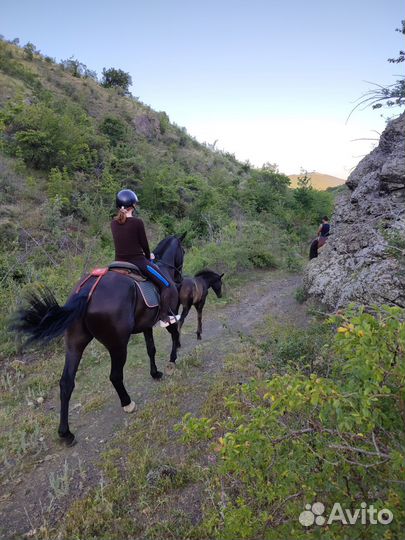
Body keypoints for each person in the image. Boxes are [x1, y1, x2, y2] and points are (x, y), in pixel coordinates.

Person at [111, 189, 179, 327]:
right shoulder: (137, 222)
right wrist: (149, 256)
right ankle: (164, 318)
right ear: (132, 206)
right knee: (166, 284)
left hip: (117, 263)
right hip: (138, 262)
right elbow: (144, 245)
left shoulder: (113, 224)